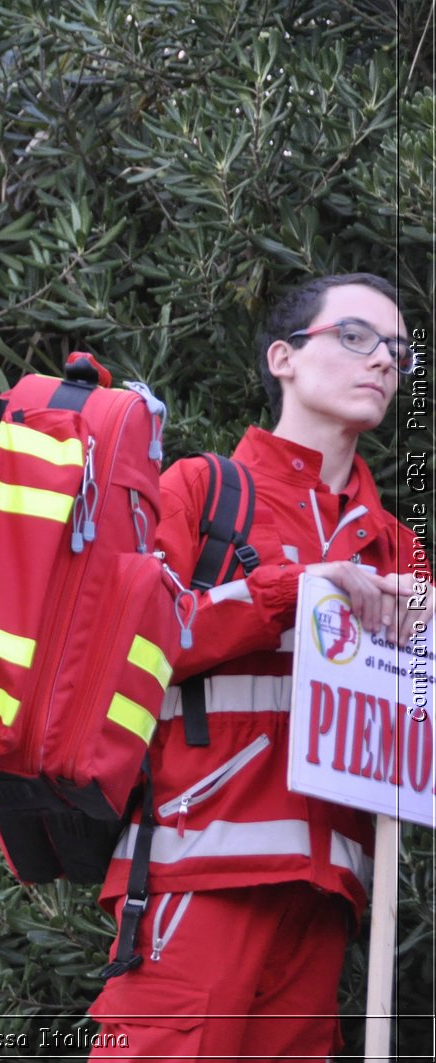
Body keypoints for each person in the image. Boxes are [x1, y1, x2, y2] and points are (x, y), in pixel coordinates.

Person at [88, 273, 429, 1060]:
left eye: (399, 351)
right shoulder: (204, 492)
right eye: (354, 336)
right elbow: (126, 650)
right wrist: (284, 591)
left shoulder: (396, 550)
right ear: (284, 356)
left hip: (328, 900)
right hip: (200, 877)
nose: (381, 360)